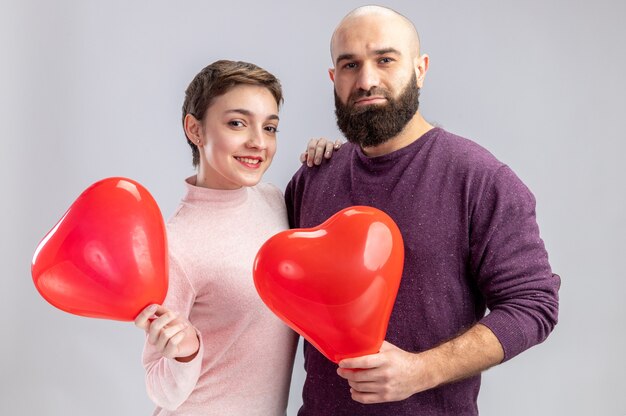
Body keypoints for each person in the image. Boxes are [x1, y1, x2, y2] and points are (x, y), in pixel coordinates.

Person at [285, 5, 561, 415]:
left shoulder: (481, 180)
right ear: (334, 78)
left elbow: (534, 304)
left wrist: (423, 369)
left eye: (385, 60)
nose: (366, 80)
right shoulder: (312, 178)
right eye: (350, 65)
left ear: (420, 69)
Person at [133, 60, 332, 416]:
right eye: (237, 123)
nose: (258, 143)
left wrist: (330, 158)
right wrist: (186, 353)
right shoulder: (175, 246)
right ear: (194, 130)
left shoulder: (273, 201)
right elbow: (159, 388)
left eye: (270, 127)